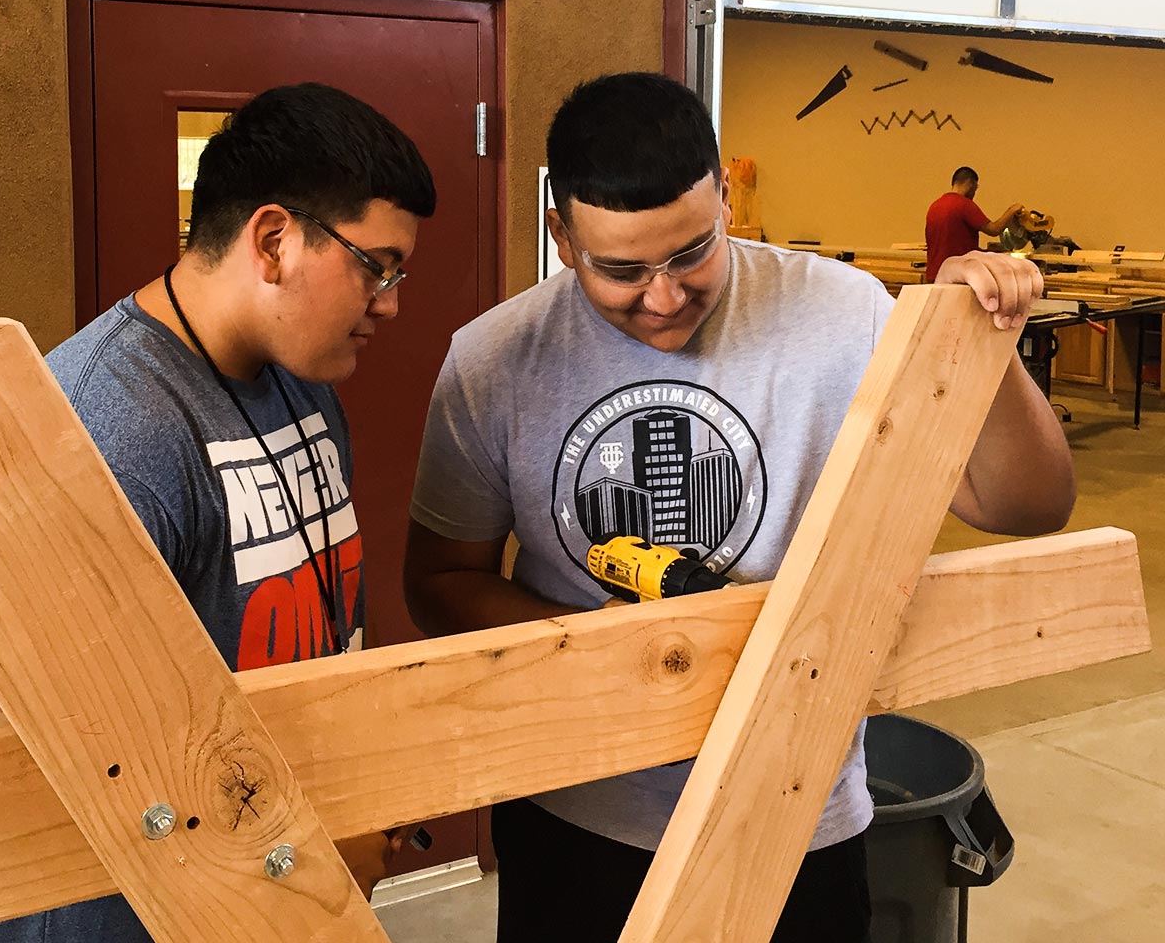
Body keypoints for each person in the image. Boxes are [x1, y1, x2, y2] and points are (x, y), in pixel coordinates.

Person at [405, 73, 1073, 943]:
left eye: (691, 254)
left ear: (725, 198)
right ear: (562, 237)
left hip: (799, 807)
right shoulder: (493, 360)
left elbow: (1028, 505)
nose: (663, 297)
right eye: (621, 269)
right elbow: (440, 581)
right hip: (577, 812)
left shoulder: (845, 314)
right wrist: (617, 658)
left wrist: (977, 338)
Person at [0, 82, 435, 942]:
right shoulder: (107, 421)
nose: (391, 302)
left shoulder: (303, 387)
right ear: (276, 241)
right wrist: (287, 842)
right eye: (377, 266)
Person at [925, 165, 1023, 282]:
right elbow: (993, 229)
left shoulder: (935, 206)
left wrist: (986, 252)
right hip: (956, 278)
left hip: (934, 276)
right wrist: (1012, 210)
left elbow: (951, 245)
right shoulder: (964, 204)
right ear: (971, 184)